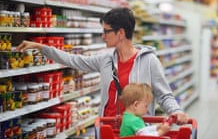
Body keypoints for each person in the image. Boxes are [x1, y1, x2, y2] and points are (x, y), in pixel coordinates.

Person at [15, 7, 188, 124]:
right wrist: (41, 47)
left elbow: (164, 96)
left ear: (120, 33)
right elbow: (73, 60)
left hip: (136, 130)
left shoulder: (149, 61)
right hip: (107, 128)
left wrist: (176, 111)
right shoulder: (105, 60)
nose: (103, 36)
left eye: (106, 31)